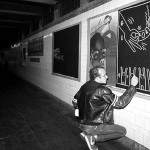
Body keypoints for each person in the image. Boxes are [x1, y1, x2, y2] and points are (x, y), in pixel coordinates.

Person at [72, 66, 138, 150]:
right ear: (97, 78)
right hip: (93, 127)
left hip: (81, 124)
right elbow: (120, 103)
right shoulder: (102, 90)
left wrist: (79, 115)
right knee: (122, 131)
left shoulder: (85, 86)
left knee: (95, 128)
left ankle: (87, 134)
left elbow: (74, 101)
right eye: (104, 75)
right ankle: (93, 137)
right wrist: (132, 86)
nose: (107, 77)